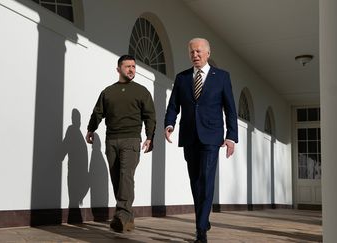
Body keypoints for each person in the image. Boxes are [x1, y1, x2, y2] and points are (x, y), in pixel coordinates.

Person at [164, 38, 238, 243]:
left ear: (207, 53)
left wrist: (231, 137)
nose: (195, 55)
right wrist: (169, 124)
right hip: (189, 136)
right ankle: (204, 219)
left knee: (206, 179)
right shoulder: (182, 78)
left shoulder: (222, 77)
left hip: (212, 137)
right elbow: (173, 105)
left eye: (198, 52)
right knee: (195, 182)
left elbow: (230, 109)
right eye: (191, 53)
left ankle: (200, 230)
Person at [86, 54, 156, 233]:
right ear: (118, 69)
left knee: (126, 176)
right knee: (117, 179)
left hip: (131, 140)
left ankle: (121, 216)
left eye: (133, 66)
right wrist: (91, 129)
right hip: (111, 140)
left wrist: (149, 137)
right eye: (127, 66)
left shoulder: (142, 91)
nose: (131, 69)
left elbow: (150, 116)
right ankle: (128, 219)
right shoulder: (108, 92)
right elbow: (98, 112)